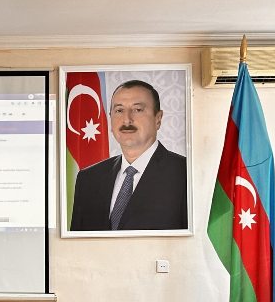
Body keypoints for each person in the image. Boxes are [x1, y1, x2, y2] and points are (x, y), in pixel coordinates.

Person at [70, 79, 187, 231]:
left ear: (158, 119)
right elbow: (77, 242)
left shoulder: (184, 173)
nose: (127, 120)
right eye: (119, 110)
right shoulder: (88, 178)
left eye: (137, 110)